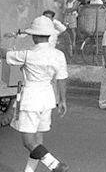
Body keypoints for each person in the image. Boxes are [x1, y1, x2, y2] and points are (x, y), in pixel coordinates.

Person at [1, 16, 70, 172]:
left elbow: (5, 54)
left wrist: (8, 42)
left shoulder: (27, 54)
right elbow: (61, 79)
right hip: (48, 97)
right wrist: (63, 100)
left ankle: (55, 165)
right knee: (37, 141)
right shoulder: (58, 55)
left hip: (31, 98)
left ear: (34, 36)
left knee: (28, 142)